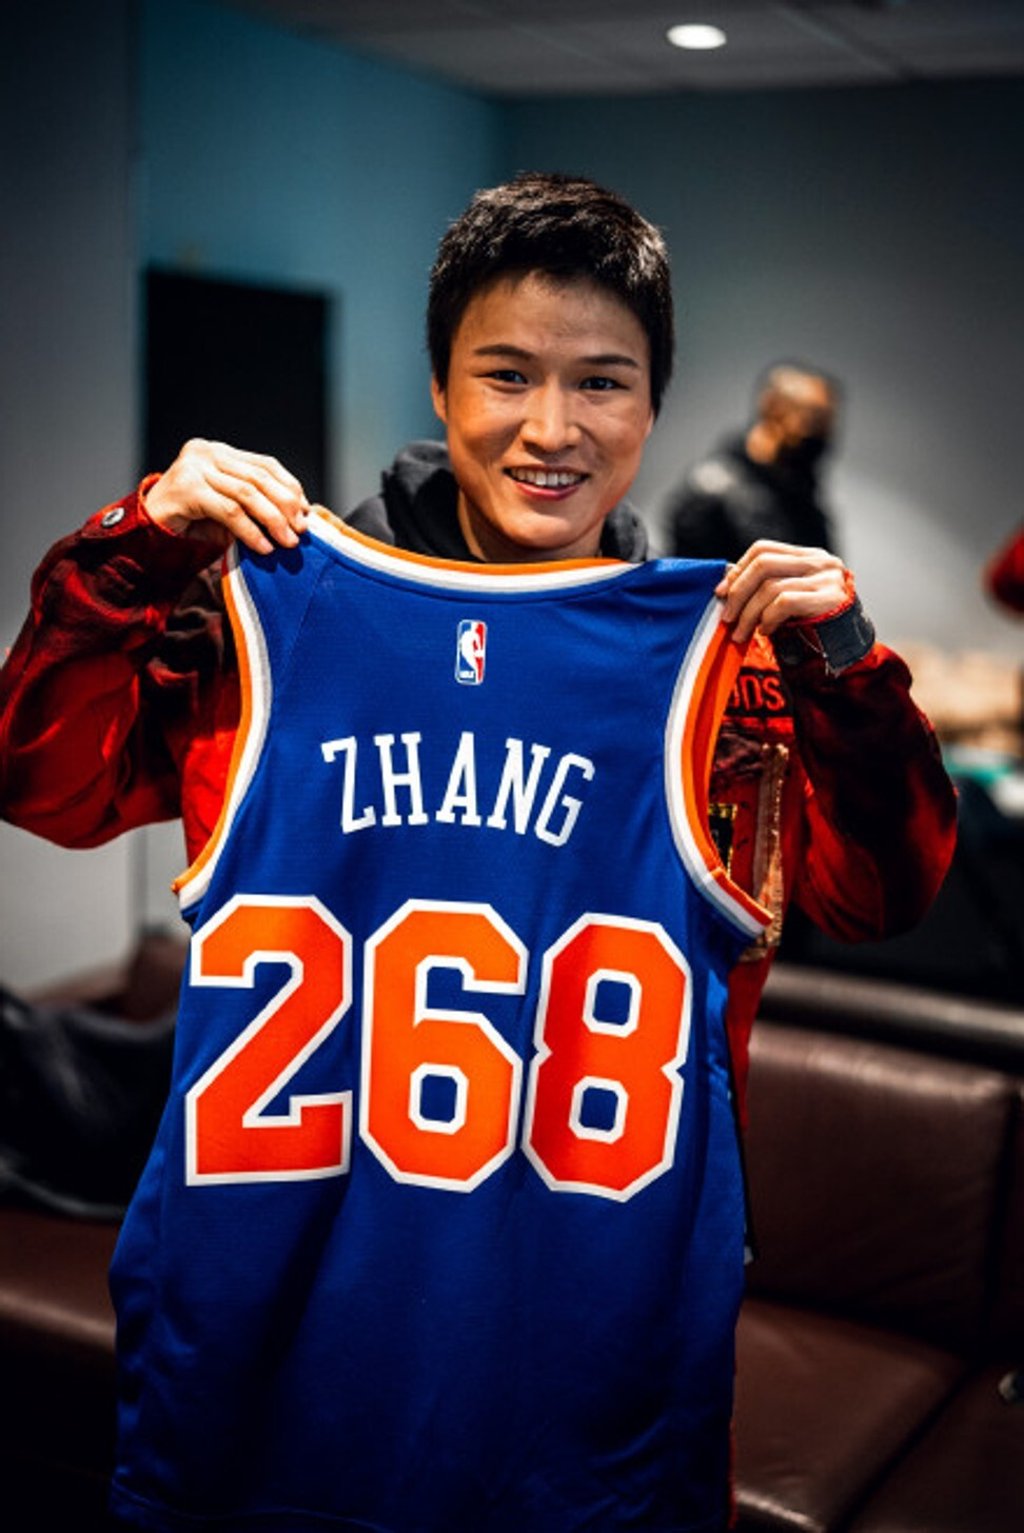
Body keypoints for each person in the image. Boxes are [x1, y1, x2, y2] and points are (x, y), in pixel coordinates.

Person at [0, 173, 955, 1533]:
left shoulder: (721, 673)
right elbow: (42, 774)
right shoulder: (264, 616)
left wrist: (851, 676)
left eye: (603, 383)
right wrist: (132, 553)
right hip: (262, 1359)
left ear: (653, 407)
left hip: (581, 1376)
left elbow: (885, 889)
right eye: (506, 374)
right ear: (441, 388)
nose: (551, 427)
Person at [666, 361, 841, 562]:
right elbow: (696, 585)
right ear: (773, 408)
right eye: (813, 420)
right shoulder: (711, 491)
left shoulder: (802, 496)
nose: (820, 435)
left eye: (827, 425)